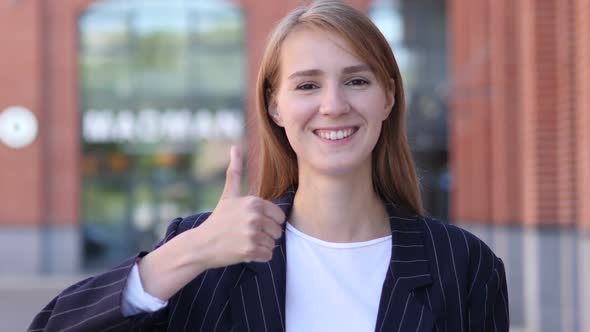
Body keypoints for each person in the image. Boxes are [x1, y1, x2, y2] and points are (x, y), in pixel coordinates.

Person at [29, 1, 509, 331]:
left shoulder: (464, 265)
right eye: (306, 86)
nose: (333, 104)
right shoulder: (208, 253)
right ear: (275, 108)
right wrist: (188, 253)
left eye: (356, 81)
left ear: (388, 97)